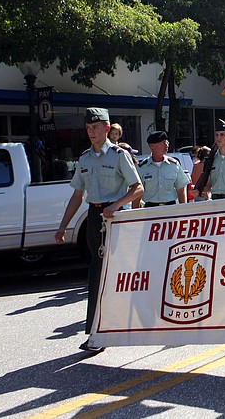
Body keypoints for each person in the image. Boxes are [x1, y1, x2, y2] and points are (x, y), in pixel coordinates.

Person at [54, 108, 143, 352]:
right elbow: (77, 195)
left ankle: (127, 324)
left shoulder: (118, 155)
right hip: (94, 216)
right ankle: (97, 332)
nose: (91, 132)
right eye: (88, 128)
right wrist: (63, 226)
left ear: (106, 128)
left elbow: (137, 188)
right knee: (97, 273)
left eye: (96, 127)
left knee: (117, 273)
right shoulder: (84, 159)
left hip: (114, 217)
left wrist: (116, 205)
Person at [133, 131, 190, 208]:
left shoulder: (173, 165)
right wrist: (135, 214)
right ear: (152, 146)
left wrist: (183, 210)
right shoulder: (142, 167)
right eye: (163, 143)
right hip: (150, 209)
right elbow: (137, 192)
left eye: (167, 142)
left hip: (170, 208)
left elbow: (181, 189)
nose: (166, 145)